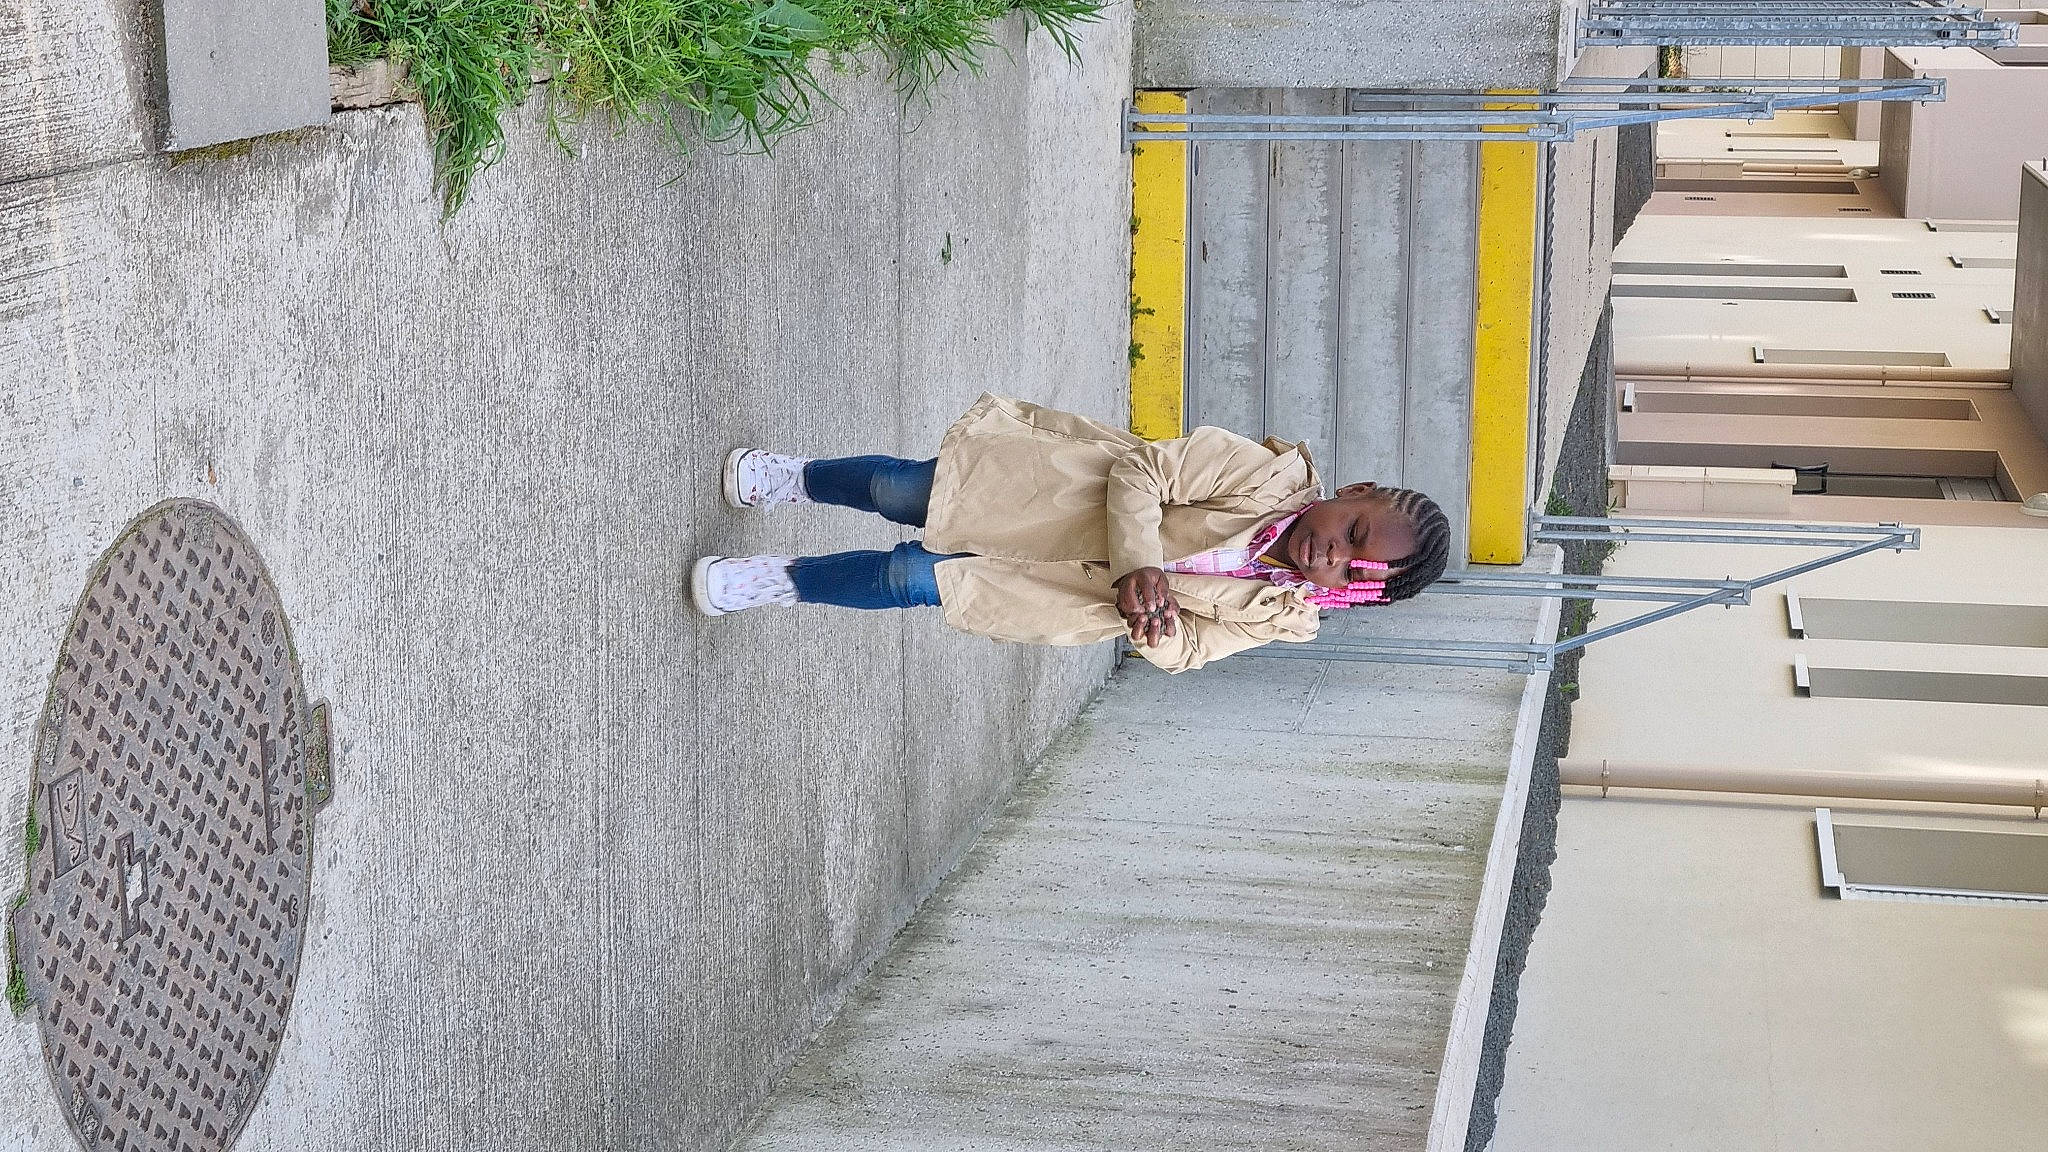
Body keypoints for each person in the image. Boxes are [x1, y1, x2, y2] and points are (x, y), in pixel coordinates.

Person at [691, 394, 1452, 673]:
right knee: (904, 491)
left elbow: (1190, 649)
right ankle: (796, 477)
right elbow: (1146, 474)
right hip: (1050, 497)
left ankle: (777, 582)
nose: (1335, 554)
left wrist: (1150, 624)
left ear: (1350, 597)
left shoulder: (1279, 616)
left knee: (911, 580)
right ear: (1352, 492)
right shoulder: (1263, 477)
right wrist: (1141, 563)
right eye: (1353, 528)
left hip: (1060, 593)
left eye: (1352, 570)